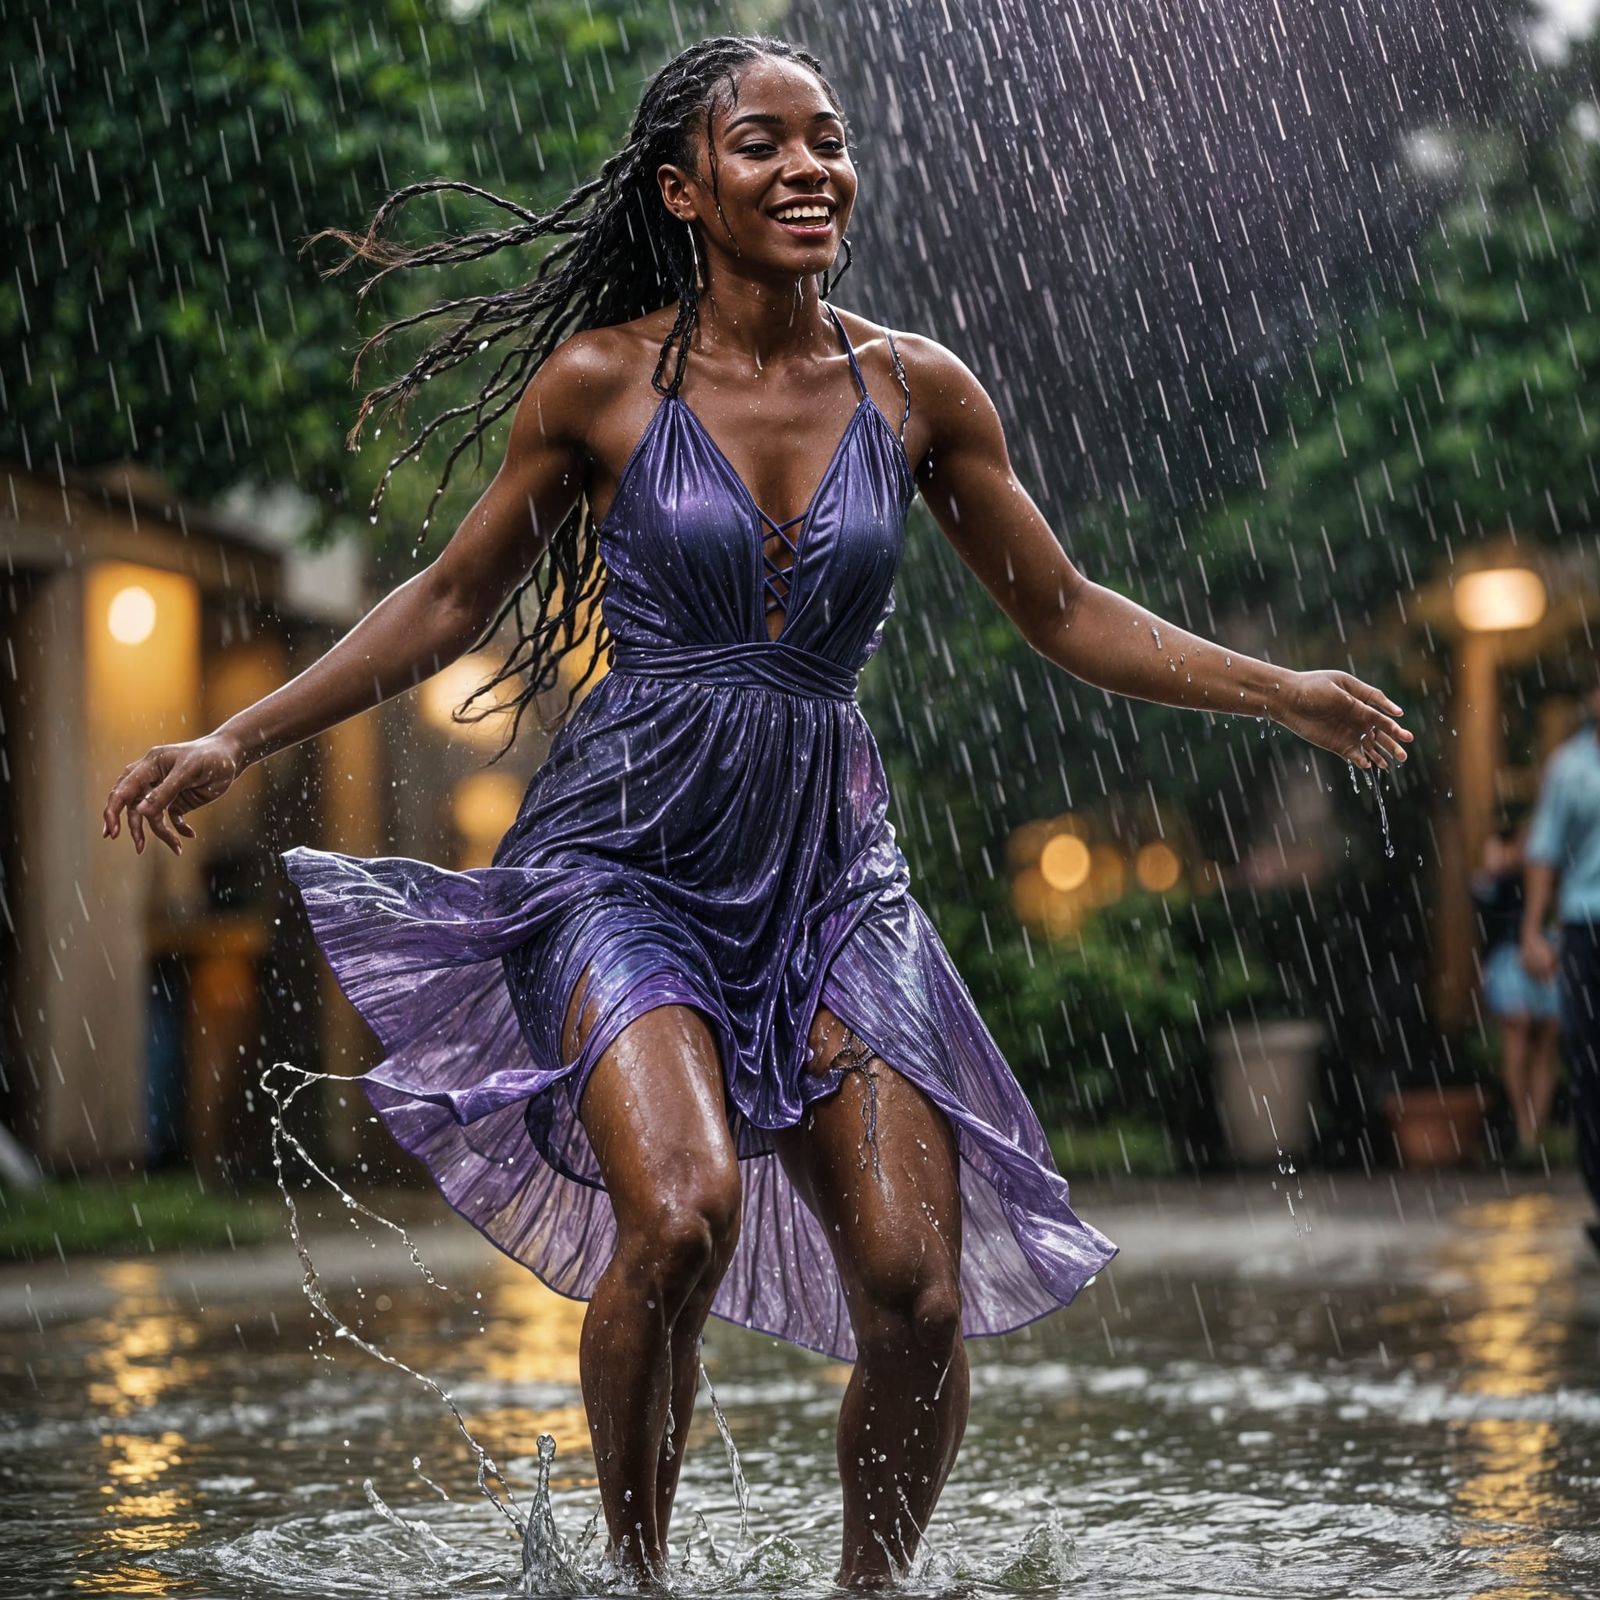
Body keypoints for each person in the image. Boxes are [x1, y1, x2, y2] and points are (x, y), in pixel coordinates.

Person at [100, 35, 1411, 1587]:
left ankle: (869, 1587)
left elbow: (1064, 609)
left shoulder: (920, 389)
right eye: (764, 145)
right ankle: (639, 1577)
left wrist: (1282, 688)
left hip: (829, 874)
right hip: (624, 866)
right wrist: (237, 735)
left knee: (918, 1291)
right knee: (680, 1216)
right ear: (685, 190)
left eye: (829, 142)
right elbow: (449, 598)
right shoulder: (600, 385)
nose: (810, 169)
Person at [1521, 683, 1600, 1258]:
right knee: (1588, 1062)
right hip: (1585, 930)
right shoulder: (1570, 766)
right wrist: (1531, 928)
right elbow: (1544, 850)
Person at [1473, 820, 1561, 1157]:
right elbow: (1481, 902)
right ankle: (1526, 1128)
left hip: (1544, 956)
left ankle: (1535, 1129)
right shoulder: (1501, 880)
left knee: (1545, 1041)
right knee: (1520, 1034)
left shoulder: (1551, 873)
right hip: (1513, 961)